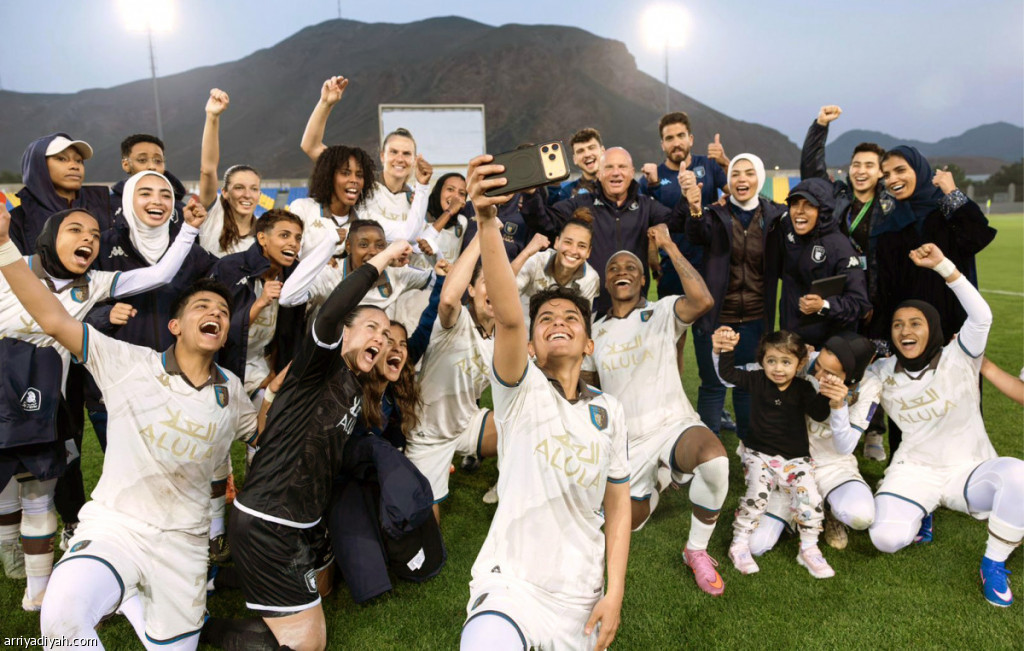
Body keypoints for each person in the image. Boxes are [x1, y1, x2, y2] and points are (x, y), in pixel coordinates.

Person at [1, 198, 256, 648]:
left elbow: (265, 437)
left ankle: (136, 598)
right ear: (175, 326)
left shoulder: (232, 391)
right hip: (115, 527)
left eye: (222, 311)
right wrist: (4, 244)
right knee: (61, 621)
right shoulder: (126, 362)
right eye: (202, 306)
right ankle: (114, 586)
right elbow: (52, 318)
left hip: (184, 543)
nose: (215, 314)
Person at [203, 239, 410, 651]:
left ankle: (220, 584)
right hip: (269, 521)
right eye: (372, 327)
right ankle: (197, 627)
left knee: (323, 595)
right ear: (344, 332)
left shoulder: (352, 385)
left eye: (386, 335)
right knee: (307, 645)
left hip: (299, 522)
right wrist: (385, 257)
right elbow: (333, 309)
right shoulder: (322, 363)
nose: (381, 338)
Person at [459, 154, 630, 651]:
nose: (558, 321)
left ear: (589, 344)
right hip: (510, 586)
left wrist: (615, 592)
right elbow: (509, 316)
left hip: (580, 598)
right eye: (546, 319)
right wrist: (486, 220)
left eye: (571, 318)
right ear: (530, 346)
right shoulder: (519, 390)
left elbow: (618, 506)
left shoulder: (610, 412)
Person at [851, 243, 1023, 607]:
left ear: (932, 328)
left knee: (1018, 475)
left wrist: (944, 266)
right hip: (915, 470)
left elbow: (981, 317)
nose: (905, 330)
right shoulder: (880, 371)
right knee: (886, 539)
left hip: (968, 470)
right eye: (898, 324)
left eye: (916, 323)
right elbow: (847, 388)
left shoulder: (959, 356)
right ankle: (922, 510)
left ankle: (992, 563)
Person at [583, 228, 728, 597]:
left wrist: (668, 246)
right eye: (614, 268)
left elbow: (703, 300)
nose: (622, 271)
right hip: (627, 442)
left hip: (673, 423)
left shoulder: (662, 311)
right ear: (607, 282)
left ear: (642, 279)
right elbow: (586, 390)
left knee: (714, 462)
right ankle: (662, 480)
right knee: (624, 525)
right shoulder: (595, 332)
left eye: (630, 267)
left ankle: (695, 550)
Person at [713, 328, 850, 578]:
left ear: (800, 363)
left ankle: (808, 548)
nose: (778, 368)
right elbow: (728, 374)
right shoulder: (757, 379)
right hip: (759, 454)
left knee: (810, 498)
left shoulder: (804, 387)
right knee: (757, 496)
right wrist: (726, 349)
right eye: (771, 361)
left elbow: (820, 413)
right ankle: (739, 544)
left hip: (795, 459)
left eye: (786, 362)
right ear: (762, 361)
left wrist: (826, 394)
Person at [800, 105, 891, 461]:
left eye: (869, 165)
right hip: (842, 297)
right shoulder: (838, 198)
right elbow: (812, 171)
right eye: (856, 164)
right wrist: (819, 127)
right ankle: (829, 422)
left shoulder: (889, 206)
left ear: (880, 171)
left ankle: (874, 430)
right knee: (839, 360)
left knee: (875, 364)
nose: (861, 171)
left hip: (878, 299)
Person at [685, 153, 786, 442]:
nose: (742, 179)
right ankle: (707, 452)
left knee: (748, 386)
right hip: (716, 319)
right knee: (713, 386)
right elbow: (695, 233)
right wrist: (694, 208)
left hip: (755, 320)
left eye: (749, 173)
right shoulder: (714, 213)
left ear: (760, 178)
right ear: (729, 180)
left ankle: (749, 449)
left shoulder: (775, 216)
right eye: (736, 174)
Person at [520, 147, 688, 316]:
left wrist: (687, 197)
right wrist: (530, 193)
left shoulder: (646, 206)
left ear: (632, 172)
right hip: (588, 310)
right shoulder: (581, 203)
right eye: (609, 167)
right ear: (599, 174)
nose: (616, 172)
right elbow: (545, 222)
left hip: (634, 310)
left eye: (622, 167)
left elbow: (676, 224)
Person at [749, 332, 877, 554]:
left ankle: (829, 511)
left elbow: (845, 447)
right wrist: (720, 353)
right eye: (818, 366)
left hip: (832, 466)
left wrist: (838, 407)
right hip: (788, 463)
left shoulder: (869, 385)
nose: (818, 376)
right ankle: (797, 509)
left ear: (851, 376)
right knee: (755, 545)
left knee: (861, 516)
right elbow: (753, 375)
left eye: (830, 374)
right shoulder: (802, 360)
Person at [404, 235, 497, 519]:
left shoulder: (501, 340)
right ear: (471, 289)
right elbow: (446, 299)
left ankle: (510, 485)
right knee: (423, 524)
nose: (495, 289)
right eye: (487, 282)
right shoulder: (456, 321)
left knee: (527, 423)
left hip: (466, 423)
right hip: (428, 433)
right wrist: (483, 232)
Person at [300, 76, 433, 246]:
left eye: (406, 154)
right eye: (394, 152)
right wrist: (325, 103)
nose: (400, 159)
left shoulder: (415, 198)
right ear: (382, 156)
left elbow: (417, 240)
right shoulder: (361, 183)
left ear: (414, 160)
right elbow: (311, 146)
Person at [777, 177, 870, 348]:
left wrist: (824, 305)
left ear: (823, 211)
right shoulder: (788, 232)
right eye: (795, 204)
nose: (799, 211)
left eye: (809, 205)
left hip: (827, 349)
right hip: (792, 343)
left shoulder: (840, 247)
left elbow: (859, 303)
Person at [9, 133, 113, 255]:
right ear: (38, 165)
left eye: (78, 161)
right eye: (62, 159)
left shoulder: (107, 207)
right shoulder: (15, 221)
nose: (75, 166)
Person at [198, 88, 263, 258]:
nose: (247, 195)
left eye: (254, 189)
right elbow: (208, 170)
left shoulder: (264, 234)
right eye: (239, 187)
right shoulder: (213, 215)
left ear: (259, 194)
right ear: (225, 193)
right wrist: (212, 117)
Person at [288, 143, 378, 259]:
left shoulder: (367, 219)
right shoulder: (303, 208)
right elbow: (291, 260)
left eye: (359, 175)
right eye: (345, 173)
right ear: (329, 177)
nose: (354, 180)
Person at [511, 208, 599, 310]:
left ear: (588, 252)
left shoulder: (590, 278)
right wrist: (526, 253)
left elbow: (582, 317)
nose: (573, 250)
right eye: (568, 242)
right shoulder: (537, 261)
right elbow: (503, 291)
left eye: (582, 246)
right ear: (557, 242)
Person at [110, 134, 189, 238]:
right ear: (126, 165)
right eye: (142, 160)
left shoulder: (182, 210)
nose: (152, 167)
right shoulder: (108, 206)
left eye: (158, 161)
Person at [547, 128, 604, 204]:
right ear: (575, 159)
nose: (587, 154)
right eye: (580, 151)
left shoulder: (618, 185)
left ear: (603, 151)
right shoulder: (567, 193)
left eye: (591, 148)